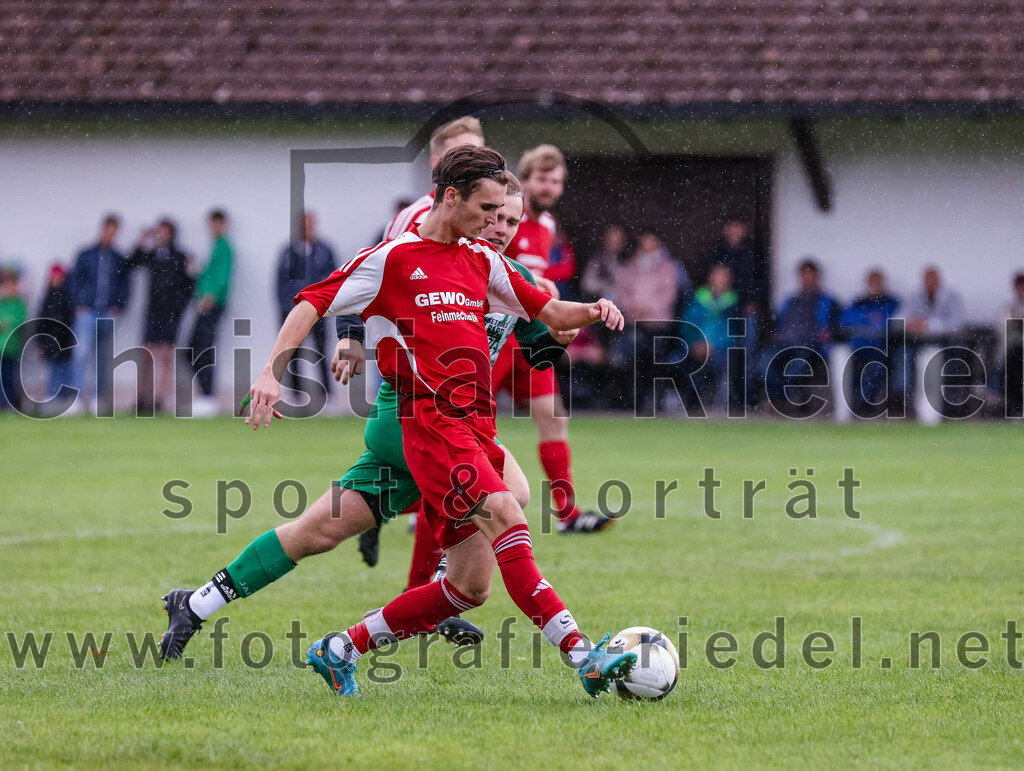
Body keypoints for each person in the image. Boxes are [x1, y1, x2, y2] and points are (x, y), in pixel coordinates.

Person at [249, 146, 632, 698]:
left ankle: (341, 648)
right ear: (451, 197)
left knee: (468, 587)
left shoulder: (482, 261)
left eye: (503, 212)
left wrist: (594, 309)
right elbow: (310, 301)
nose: (492, 223)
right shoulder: (393, 258)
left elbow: (548, 313)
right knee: (507, 513)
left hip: (477, 428)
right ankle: (584, 657)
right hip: (430, 426)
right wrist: (270, 373)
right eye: (485, 209)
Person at [158, 178, 576, 660]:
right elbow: (354, 286)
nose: (499, 227)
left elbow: (538, 352)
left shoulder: (506, 276)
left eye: (511, 220)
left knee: (317, 531)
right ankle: (449, 591)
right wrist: (349, 338)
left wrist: (558, 329)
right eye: (495, 214)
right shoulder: (422, 245)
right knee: (511, 496)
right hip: (409, 418)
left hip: (445, 427)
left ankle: (194, 604)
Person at [497, 144, 615, 532]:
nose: (550, 187)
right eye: (543, 179)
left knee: (553, 418)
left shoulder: (548, 228)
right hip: (493, 339)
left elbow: (532, 281)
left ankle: (568, 516)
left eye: (557, 181)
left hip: (528, 339)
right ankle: (426, 510)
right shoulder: (502, 219)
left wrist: (547, 293)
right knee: (465, 427)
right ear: (525, 179)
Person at [126, 219, 195, 413]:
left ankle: (159, 399)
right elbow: (131, 262)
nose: (161, 235)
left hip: (171, 313)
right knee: (147, 354)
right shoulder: (153, 256)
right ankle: (141, 397)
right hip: (152, 312)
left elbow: (189, 285)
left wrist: (178, 307)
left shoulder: (180, 257)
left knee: (166, 355)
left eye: (164, 231)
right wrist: (141, 240)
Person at [612, 232, 684, 413]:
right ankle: (634, 401)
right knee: (634, 363)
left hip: (658, 323)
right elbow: (622, 291)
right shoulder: (631, 266)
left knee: (656, 364)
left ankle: (656, 402)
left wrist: (647, 308)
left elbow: (668, 294)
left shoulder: (667, 267)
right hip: (634, 322)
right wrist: (632, 308)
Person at [67, 214, 130, 413]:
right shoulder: (86, 254)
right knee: (80, 354)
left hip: (107, 314)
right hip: (87, 312)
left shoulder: (119, 259)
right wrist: (79, 303)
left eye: (113, 232)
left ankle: (97, 400)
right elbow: (74, 279)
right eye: (107, 230)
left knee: (102, 358)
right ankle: (76, 399)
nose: (109, 235)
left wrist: (118, 306)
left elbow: (125, 286)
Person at [762, 259, 840, 413]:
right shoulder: (789, 300)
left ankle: (781, 401)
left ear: (817, 276)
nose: (807, 279)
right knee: (764, 363)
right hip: (783, 343)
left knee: (796, 365)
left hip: (809, 344)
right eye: (804, 275)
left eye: (810, 275)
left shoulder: (828, 301)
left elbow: (832, 326)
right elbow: (777, 322)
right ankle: (780, 399)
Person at [275, 211, 337, 404]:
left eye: (309, 225)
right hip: (293, 312)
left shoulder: (325, 250)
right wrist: (288, 308)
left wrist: (323, 305)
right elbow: (280, 283)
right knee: (294, 353)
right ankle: (297, 394)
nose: (307, 229)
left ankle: (327, 394)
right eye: (303, 225)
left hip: (318, 312)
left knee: (320, 352)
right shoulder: (289, 251)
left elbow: (332, 278)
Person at [188, 210, 234, 416]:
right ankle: (204, 395)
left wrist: (210, 296)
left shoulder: (224, 248)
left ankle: (208, 397)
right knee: (192, 350)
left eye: (217, 224)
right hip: (204, 303)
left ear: (223, 224)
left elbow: (223, 276)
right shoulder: (214, 246)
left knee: (203, 350)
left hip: (212, 305)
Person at [681, 264, 739, 412]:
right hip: (694, 348)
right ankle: (692, 401)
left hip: (719, 350)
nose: (718, 281)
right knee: (681, 362)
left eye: (723, 278)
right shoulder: (697, 300)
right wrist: (694, 343)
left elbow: (734, 332)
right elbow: (687, 325)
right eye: (716, 277)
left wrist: (714, 346)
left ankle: (710, 398)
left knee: (718, 365)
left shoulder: (734, 304)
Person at [841, 270, 900, 415]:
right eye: (872, 282)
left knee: (876, 367)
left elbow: (895, 324)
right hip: (858, 349)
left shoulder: (892, 303)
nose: (875, 286)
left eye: (878, 282)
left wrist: (875, 330)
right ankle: (854, 404)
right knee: (850, 368)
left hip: (882, 349)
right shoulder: (858, 303)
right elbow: (846, 323)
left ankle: (863, 403)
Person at [34, 263, 76, 401]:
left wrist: (68, 338)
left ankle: (62, 397)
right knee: (53, 369)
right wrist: (40, 340)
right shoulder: (47, 297)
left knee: (63, 369)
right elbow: (42, 321)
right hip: (50, 341)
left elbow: (70, 319)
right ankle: (53, 396)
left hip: (64, 341)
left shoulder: (66, 297)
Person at [0, 265, 28, 411]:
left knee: (10, 378)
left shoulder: (19, 304)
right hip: (0, 349)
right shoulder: (2, 304)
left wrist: (4, 323)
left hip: (11, 348)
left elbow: (17, 320)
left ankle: (9, 403)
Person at [997, 271, 1024, 416]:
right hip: (1012, 354)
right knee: (1013, 360)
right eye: (1019, 287)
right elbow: (1003, 328)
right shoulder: (1008, 307)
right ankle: (1015, 406)